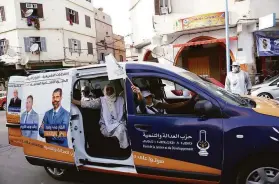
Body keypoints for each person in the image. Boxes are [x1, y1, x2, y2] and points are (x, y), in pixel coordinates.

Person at [71, 83, 129, 149]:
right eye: (107, 89)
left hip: (119, 123)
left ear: (114, 90)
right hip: (106, 126)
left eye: (111, 89)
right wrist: (73, 101)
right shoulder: (101, 100)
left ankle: (124, 148)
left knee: (122, 127)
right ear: (105, 91)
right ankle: (124, 149)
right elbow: (89, 104)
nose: (109, 91)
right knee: (121, 128)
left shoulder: (120, 100)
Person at [132, 86, 198, 114]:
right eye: (146, 97)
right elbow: (142, 102)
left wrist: (188, 102)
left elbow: (169, 106)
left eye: (150, 96)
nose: (149, 99)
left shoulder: (155, 104)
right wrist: (139, 93)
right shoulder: (141, 108)